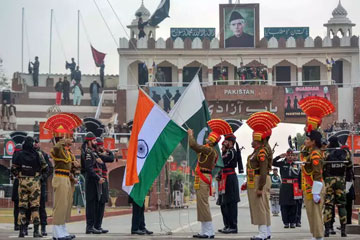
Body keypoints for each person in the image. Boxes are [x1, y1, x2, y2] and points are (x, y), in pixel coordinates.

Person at [298, 96, 335, 240]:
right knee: (312, 214)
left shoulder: (315, 154)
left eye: (308, 138)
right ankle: (315, 235)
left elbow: (317, 172)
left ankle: (318, 236)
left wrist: (316, 192)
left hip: (315, 186)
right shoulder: (311, 150)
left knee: (316, 214)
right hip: (310, 186)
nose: (305, 140)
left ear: (313, 141)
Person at [188, 119, 230, 239]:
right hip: (203, 176)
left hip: (203, 176)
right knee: (201, 204)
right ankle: (204, 230)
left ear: (211, 140)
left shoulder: (208, 150)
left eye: (209, 137)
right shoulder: (211, 150)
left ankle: (209, 231)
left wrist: (190, 135)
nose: (207, 138)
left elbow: (193, 145)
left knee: (203, 204)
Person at [245, 111, 280, 240]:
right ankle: (267, 232)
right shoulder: (258, 151)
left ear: (259, 139)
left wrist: (260, 186)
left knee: (260, 207)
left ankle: (263, 233)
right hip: (257, 179)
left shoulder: (262, 152)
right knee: (263, 206)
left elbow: (263, 170)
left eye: (254, 138)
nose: (252, 140)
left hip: (260, 179)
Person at [11, 136, 48, 238]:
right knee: (35, 207)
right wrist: (41, 178)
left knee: (22, 207)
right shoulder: (38, 154)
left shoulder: (19, 154)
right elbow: (46, 168)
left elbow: (13, 168)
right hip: (35, 182)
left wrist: (19, 175)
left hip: (22, 182)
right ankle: (36, 231)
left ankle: (22, 230)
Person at [323, 136, 352, 237]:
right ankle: (343, 230)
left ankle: (327, 230)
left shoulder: (326, 153)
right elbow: (349, 168)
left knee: (328, 205)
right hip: (341, 180)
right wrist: (348, 182)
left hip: (329, 181)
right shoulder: (345, 153)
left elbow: (322, 167)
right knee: (342, 205)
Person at [50, 137, 77, 240]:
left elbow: (71, 166)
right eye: (69, 138)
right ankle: (57, 233)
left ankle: (63, 230)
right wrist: (62, 141)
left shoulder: (67, 151)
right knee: (60, 205)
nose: (71, 140)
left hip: (67, 178)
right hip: (60, 178)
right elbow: (56, 148)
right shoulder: (58, 148)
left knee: (66, 205)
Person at [217, 133, 242, 234]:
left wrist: (221, 154)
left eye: (226, 141)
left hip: (230, 178)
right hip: (224, 178)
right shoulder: (225, 152)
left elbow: (222, 161)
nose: (224, 142)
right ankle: (226, 225)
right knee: (223, 203)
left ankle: (233, 226)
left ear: (231, 142)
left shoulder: (232, 152)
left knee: (231, 203)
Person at [273, 149, 302, 228]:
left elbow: (300, 177)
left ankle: (293, 222)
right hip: (285, 186)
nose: (290, 157)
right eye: (288, 155)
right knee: (284, 205)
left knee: (294, 205)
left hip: (295, 186)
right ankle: (286, 222)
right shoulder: (282, 163)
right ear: (286, 155)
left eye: (292, 155)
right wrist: (279, 156)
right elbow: (272, 162)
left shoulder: (297, 164)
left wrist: (300, 187)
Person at [81, 132, 104, 234]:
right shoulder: (88, 153)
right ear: (89, 141)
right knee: (90, 205)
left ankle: (92, 226)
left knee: (94, 204)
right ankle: (89, 227)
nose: (96, 142)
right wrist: (97, 177)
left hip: (94, 180)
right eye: (94, 140)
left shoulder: (92, 152)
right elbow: (89, 168)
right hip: (91, 181)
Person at [94, 137, 114, 233]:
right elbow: (111, 159)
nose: (102, 147)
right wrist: (109, 152)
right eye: (100, 145)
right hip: (100, 180)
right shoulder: (97, 155)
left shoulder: (100, 155)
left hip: (104, 179)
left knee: (102, 203)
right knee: (99, 203)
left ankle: (98, 225)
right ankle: (96, 225)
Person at [34, 138, 54, 236]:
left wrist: (44, 177)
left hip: (40, 183)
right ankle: (24, 228)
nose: (35, 144)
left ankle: (43, 227)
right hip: (30, 183)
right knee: (28, 206)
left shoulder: (43, 155)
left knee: (41, 206)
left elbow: (50, 168)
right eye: (33, 143)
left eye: (36, 143)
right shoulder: (26, 154)